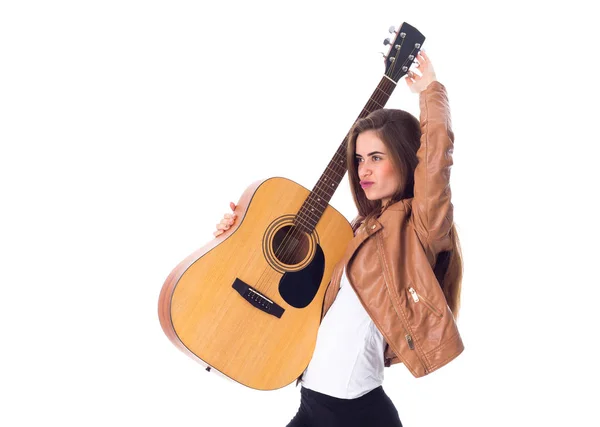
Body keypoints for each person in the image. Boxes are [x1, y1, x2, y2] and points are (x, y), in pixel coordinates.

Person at [213, 50, 464, 427]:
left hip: (358, 414)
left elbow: (435, 164)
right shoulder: (356, 228)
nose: (363, 169)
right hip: (312, 404)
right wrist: (238, 232)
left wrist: (431, 91)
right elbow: (294, 287)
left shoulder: (419, 226)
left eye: (376, 157)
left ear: (405, 156)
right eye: (360, 159)